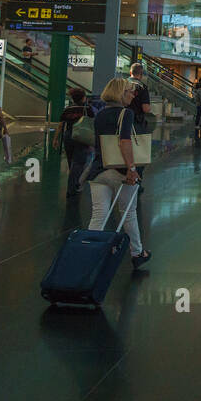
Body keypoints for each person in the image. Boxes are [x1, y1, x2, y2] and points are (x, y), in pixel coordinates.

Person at [85, 77, 149, 269]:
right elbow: (124, 142)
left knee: (99, 215)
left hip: (98, 170)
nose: (133, 95)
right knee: (128, 213)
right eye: (130, 91)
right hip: (120, 171)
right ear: (122, 93)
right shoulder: (126, 113)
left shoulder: (101, 114)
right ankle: (137, 253)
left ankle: (89, 254)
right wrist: (131, 168)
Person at [54, 87, 94, 197]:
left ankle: (74, 183)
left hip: (69, 136)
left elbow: (61, 125)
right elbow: (92, 124)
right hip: (82, 137)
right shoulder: (87, 109)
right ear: (83, 98)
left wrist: (55, 139)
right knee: (79, 163)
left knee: (71, 161)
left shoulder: (68, 109)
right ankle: (72, 188)